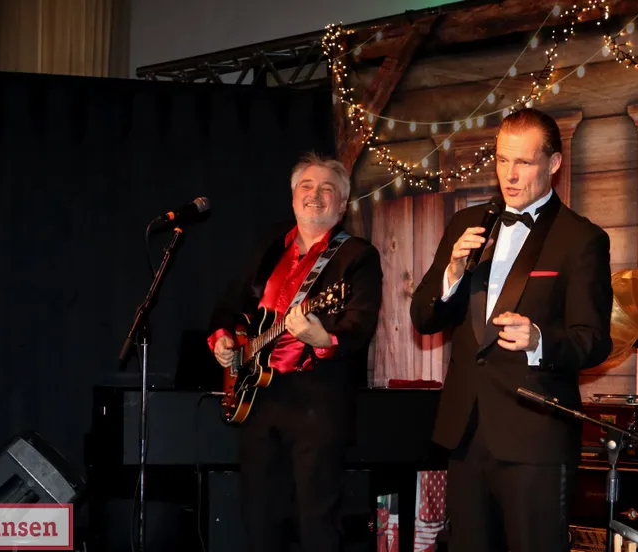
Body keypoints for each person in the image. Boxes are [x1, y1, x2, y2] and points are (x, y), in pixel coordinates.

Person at [410, 108, 614, 552]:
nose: (510, 175)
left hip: (535, 437)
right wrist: (452, 273)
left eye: (523, 161)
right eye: (502, 160)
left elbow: (595, 339)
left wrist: (540, 340)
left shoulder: (582, 239)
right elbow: (424, 318)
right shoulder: (466, 225)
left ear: (554, 163)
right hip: (465, 431)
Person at [207, 152, 383, 552]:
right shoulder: (270, 244)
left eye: (327, 189)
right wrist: (223, 339)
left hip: (317, 403)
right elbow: (229, 305)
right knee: (258, 519)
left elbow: (359, 324)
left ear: (342, 203)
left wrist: (323, 339)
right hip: (258, 399)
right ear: (292, 197)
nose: (315, 195)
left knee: (316, 522)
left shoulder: (357, 256)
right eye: (307, 186)